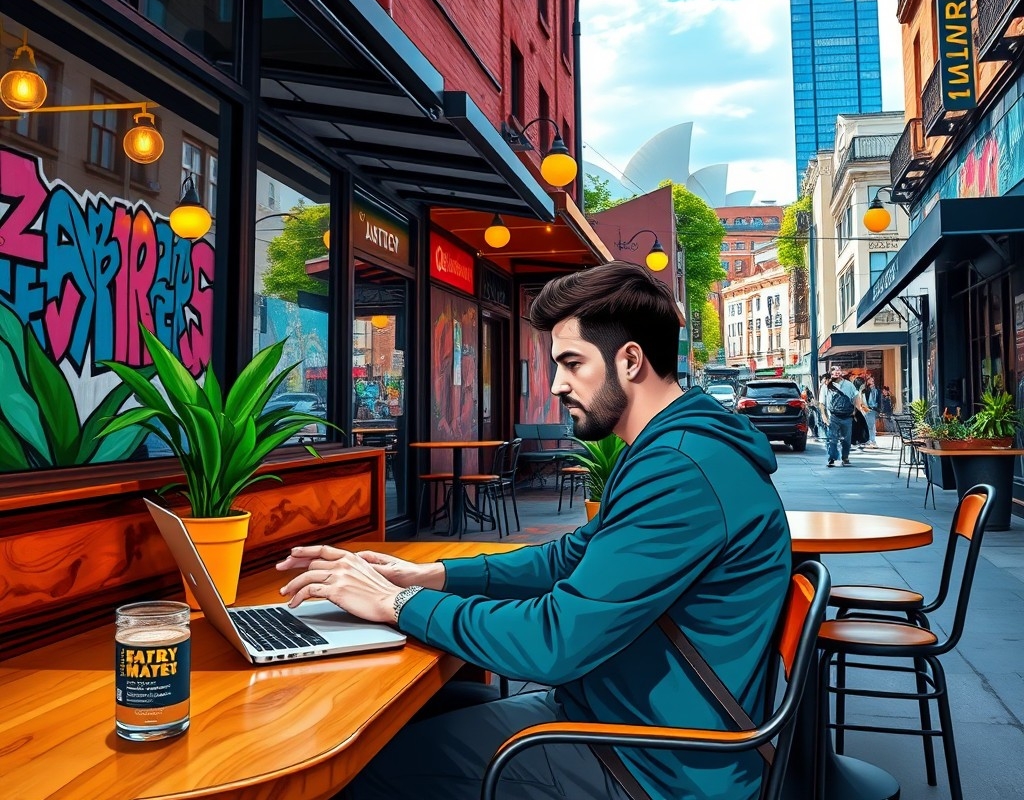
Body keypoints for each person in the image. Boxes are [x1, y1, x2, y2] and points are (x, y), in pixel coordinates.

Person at [276, 262, 792, 800]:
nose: (555, 384)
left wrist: (398, 603)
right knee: (424, 717)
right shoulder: (674, 449)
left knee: (361, 769)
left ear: (631, 360)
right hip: (624, 719)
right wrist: (429, 574)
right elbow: (569, 557)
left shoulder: (682, 469)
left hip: (653, 762)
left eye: (571, 363)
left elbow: (555, 641)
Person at [820, 368, 858, 467]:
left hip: (847, 416)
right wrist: (824, 416)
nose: (836, 373)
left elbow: (856, 396)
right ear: (830, 374)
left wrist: (855, 411)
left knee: (846, 439)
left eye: (838, 371)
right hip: (832, 416)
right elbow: (821, 403)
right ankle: (832, 458)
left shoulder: (849, 385)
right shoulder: (826, 386)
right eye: (834, 371)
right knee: (832, 439)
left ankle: (845, 457)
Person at [861, 375, 881, 448]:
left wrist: (878, 409)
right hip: (865, 409)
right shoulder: (864, 390)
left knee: (871, 426)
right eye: (871, 381)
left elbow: (879, 400)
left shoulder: (876, 390)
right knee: (867, 426)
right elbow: (861, 400)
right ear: (867, 381)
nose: (873, 382)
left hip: (873, 410)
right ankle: (868, 440)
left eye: (873, 381)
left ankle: (872, 441)